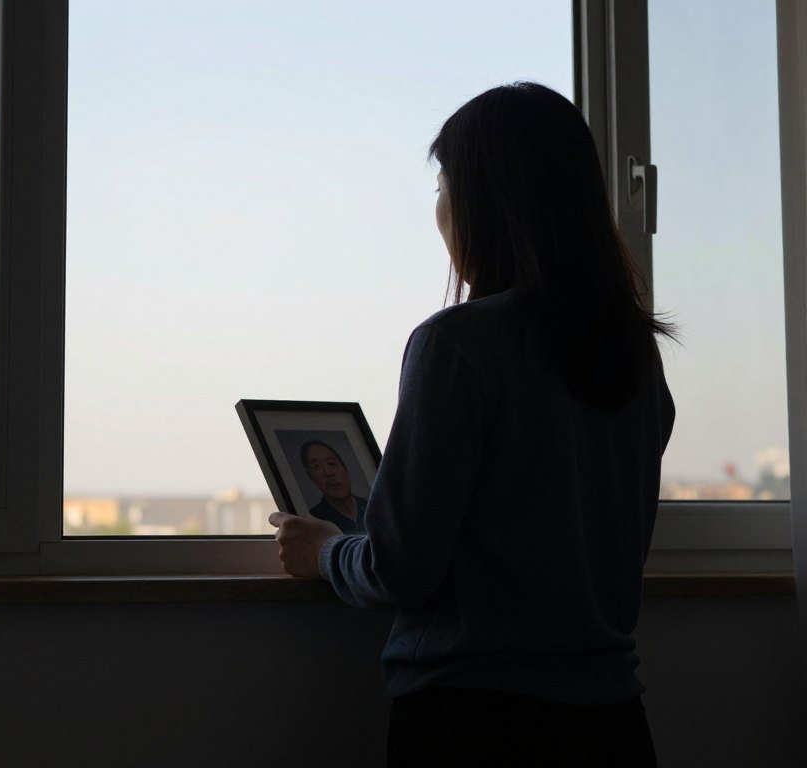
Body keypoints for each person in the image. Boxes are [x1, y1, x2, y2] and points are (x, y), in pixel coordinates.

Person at [269, 82, 676, 767]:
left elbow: (400, 567)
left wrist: (324, 552)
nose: (439, 210)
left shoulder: (456, 345)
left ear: (484, 202)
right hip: (612, 726)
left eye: (443, 186)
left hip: (475, 725)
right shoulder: (634, 352)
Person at [299, 439, 367, 534]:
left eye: (331, 463)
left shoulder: (373, 506)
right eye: (316, 466)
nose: (328, 473)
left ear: (346, 471)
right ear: (311, 477)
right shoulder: (314, 522)